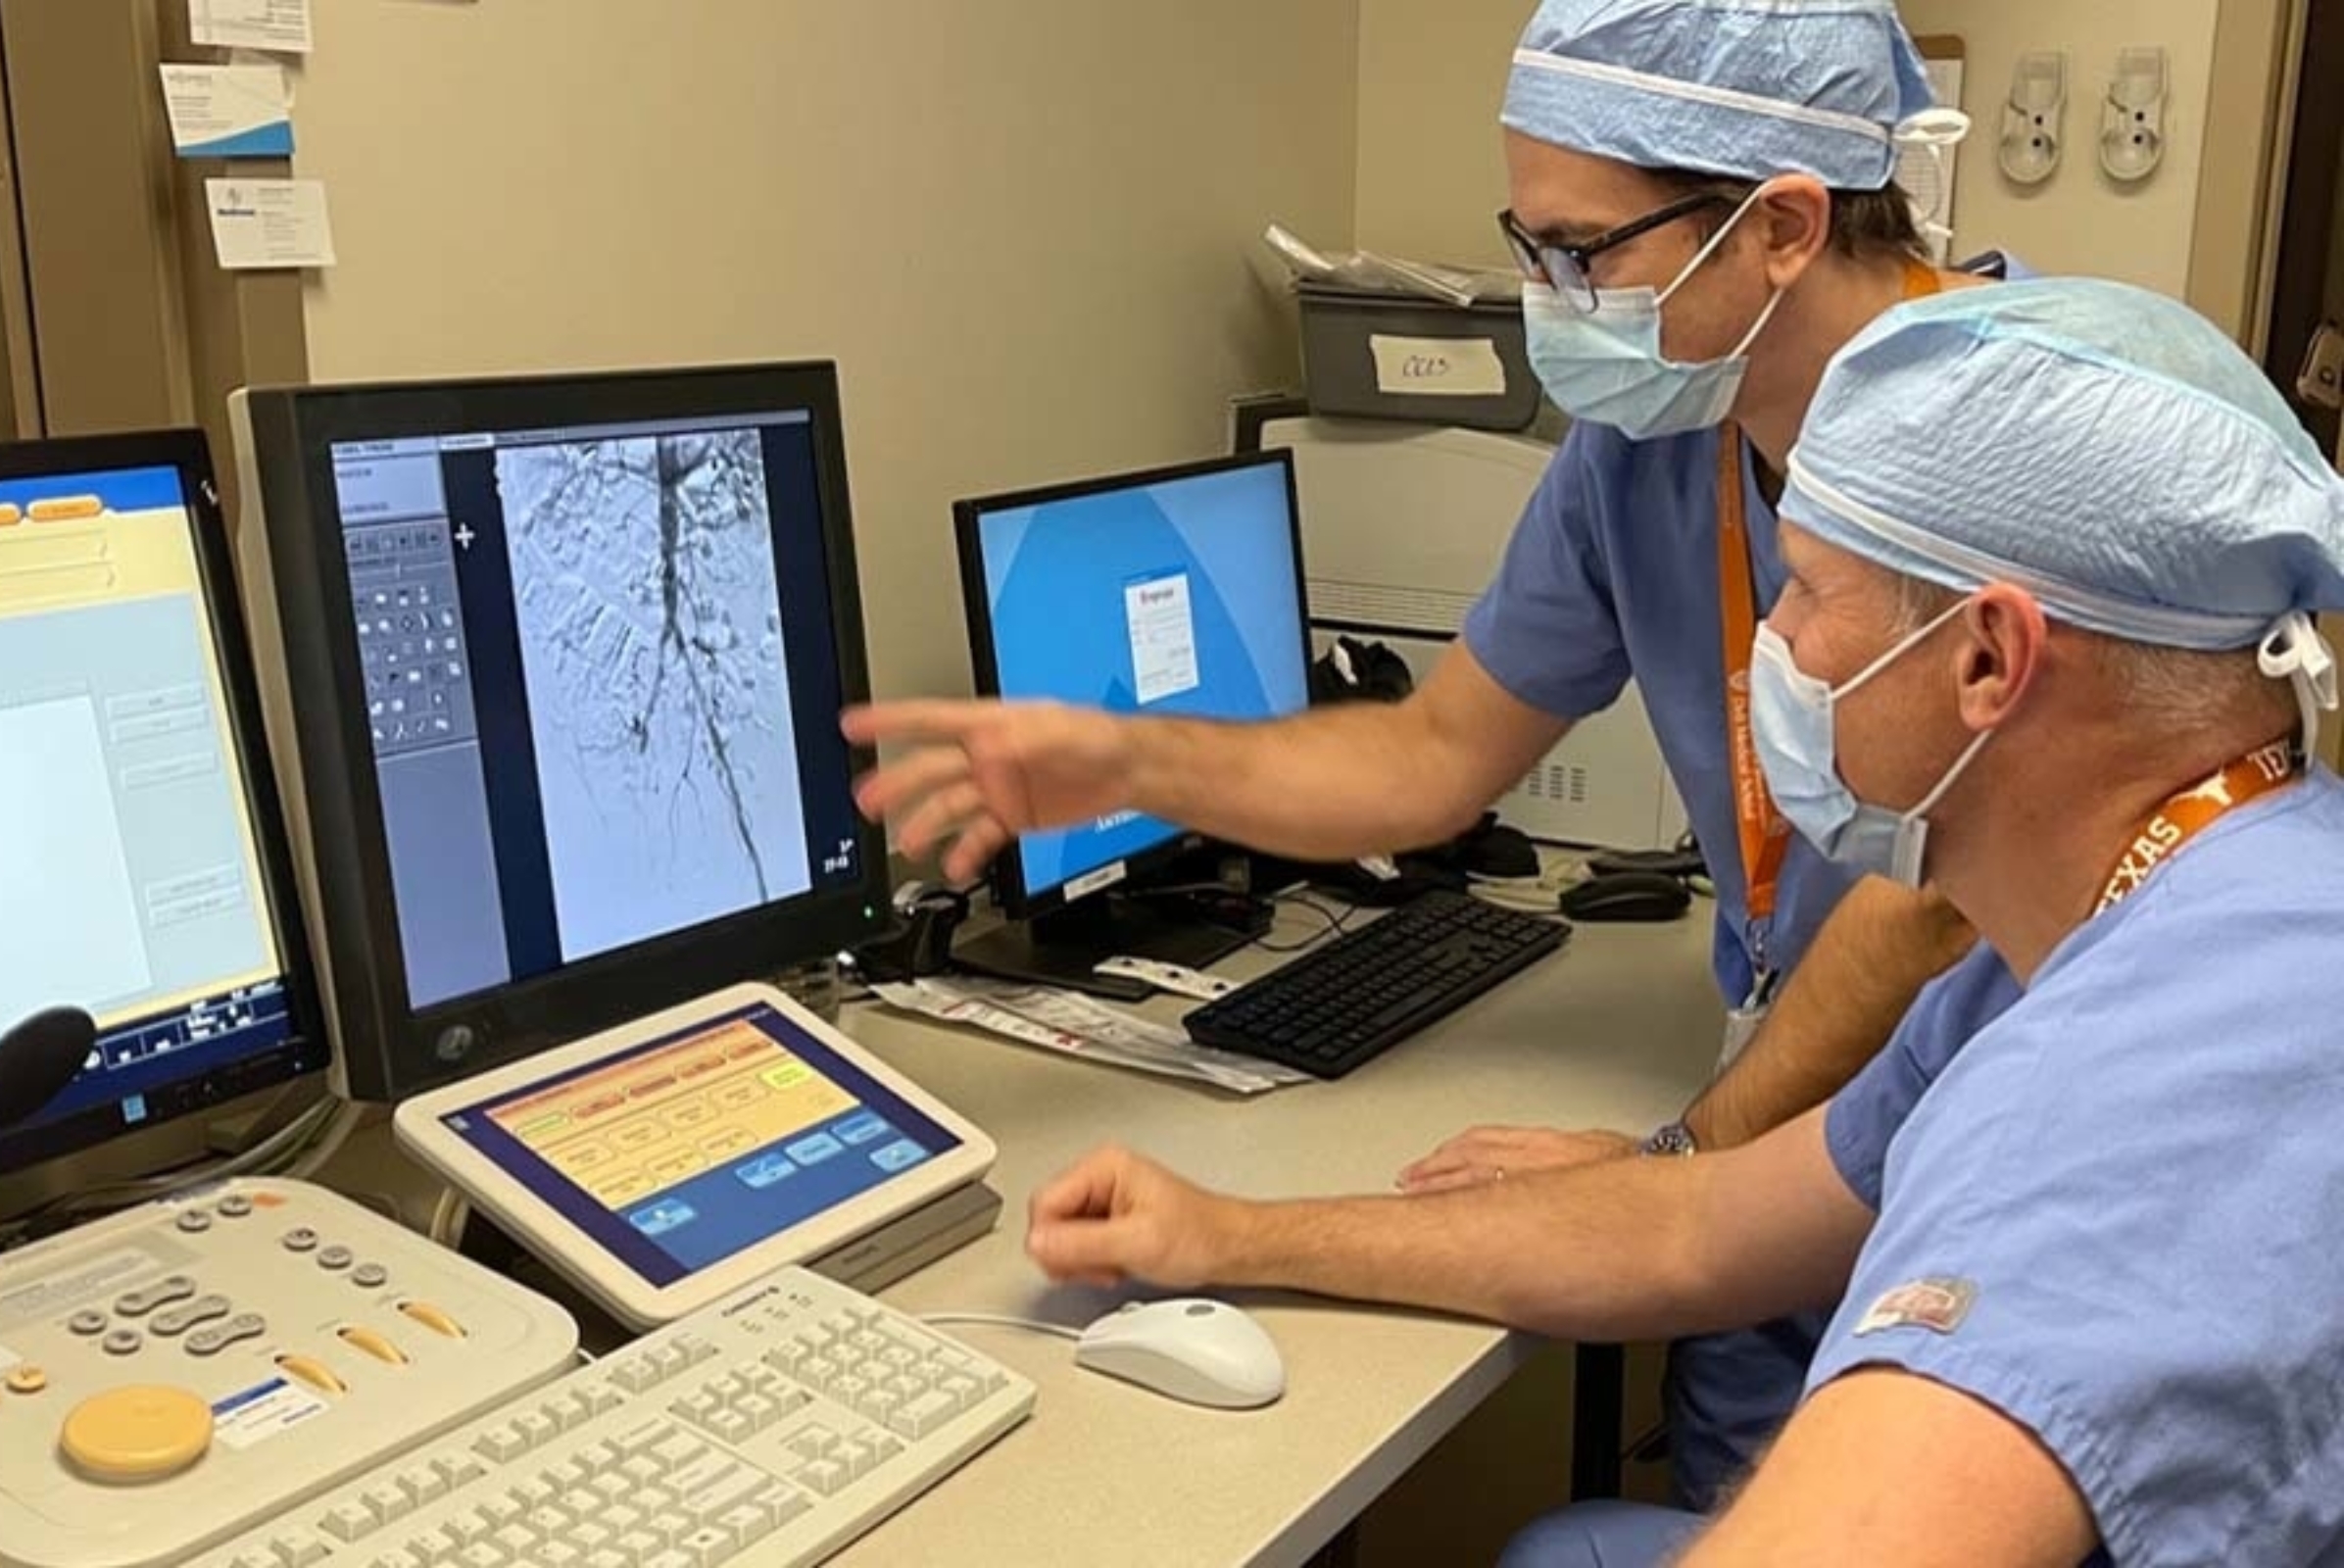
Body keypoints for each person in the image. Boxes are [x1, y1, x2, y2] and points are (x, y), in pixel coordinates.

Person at [848, 0, 2017, 1504]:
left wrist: (1676, 1160)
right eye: (1528, 244)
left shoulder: (2017, 433)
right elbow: (1429, 756)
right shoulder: (1653, 444)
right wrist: (1133, 761)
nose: (1550, 298)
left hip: (1973, 1156)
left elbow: (1933, 898)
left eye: (1582, 254)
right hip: (1770, 1139)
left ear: (1783, 224)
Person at [1023, 277, 2344, 1566]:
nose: (1768, 634)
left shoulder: (2156, 1068)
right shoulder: (2124, 925)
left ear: (1989, 660)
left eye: (1811, 592)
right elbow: (1697, 1226)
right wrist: (1229, 1235)